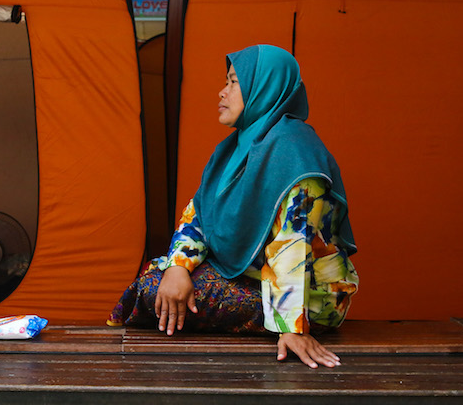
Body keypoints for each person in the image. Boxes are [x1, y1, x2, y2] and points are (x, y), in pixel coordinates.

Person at [107, 44, 358, 369]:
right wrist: (179, 266)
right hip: (253, 278)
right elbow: (197, 216)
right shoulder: (236, 149)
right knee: (164, 278)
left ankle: (148, 395)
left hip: (309, 300)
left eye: (233, 83)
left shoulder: (295, 153)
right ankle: (160, 394)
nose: (221, 92)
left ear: (263, 86)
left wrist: (291, 326)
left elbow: (292, 245)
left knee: (156, 291)